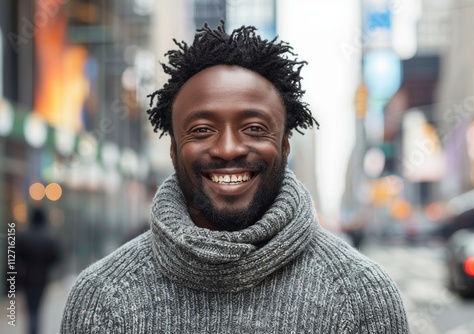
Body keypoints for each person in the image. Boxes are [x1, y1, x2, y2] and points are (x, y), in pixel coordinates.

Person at [61, 22, 409, 333]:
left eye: (254, 128)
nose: (228, 148)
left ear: (285, 146)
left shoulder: (362, 295)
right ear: (173, 149)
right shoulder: (102, 298)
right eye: (202, 129)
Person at [18, 207, 61, 334]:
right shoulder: (49, 239)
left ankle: (31, 329)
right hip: (42, 279)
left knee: (30, 309)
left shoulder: (23, 237)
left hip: (27, 278)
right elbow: (56, 258)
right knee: (37, 309)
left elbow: (14, 258)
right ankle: (34, 329)